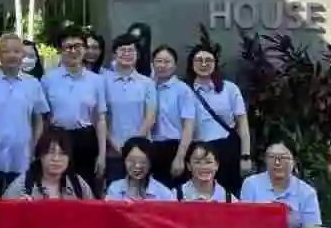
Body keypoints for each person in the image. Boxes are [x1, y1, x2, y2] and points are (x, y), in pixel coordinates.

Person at [0, 33, 49, 195]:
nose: (12, 55)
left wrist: (34, 147)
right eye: (6, 51)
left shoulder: (33, 84)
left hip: (22, 157)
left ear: (22, 55)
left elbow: (39, 119)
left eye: (16, 51)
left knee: (17, 204)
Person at [41, 26, 108, 194]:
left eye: (77, 46)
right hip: (58, 140)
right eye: (68, 47)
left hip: (86, 139)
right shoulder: (48, 79)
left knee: (86, 189)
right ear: (60, 50)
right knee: (58, 187)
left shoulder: (97, 81)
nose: (73, 51)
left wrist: (102, 154)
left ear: (85, 49)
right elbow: (43, 118)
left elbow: (100, 119)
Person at [186, 46, 252, 194]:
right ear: (191, 64)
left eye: (208, 60)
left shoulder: (229, 89)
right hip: (198, 151)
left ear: (215, 63)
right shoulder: (184, 91)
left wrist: (245, 155)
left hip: (227, 148)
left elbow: (242, 123)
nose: (204, 64)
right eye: (199, 60)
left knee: (229, 194)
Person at [103, 34, 156, 184]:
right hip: (113, 151)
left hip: (142, 151)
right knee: (115, 192)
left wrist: (134, 146)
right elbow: (100, 118)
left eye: (131, 50)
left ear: (137, 55)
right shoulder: (103, 82)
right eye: (122, 50)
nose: (127, 54)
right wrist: (114, 145)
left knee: (142, 191)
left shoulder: (147, 83)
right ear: (114, 54)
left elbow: (150, 117)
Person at [149, 45, 195, 189]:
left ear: (175, 66)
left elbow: (188, 126)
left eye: (167, 61)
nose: (162, 65)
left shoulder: (183, 90)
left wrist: (180, 157)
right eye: (159, 61)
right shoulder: (147, 86)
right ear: (152, 64)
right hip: (150, 147)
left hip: (174, 147)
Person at [105, 136, 173, 201]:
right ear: (124, 161)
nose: (137, 166)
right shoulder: (115, 189)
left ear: (150, 163)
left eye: (143, 162)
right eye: (132, 161)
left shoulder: (164, 193)